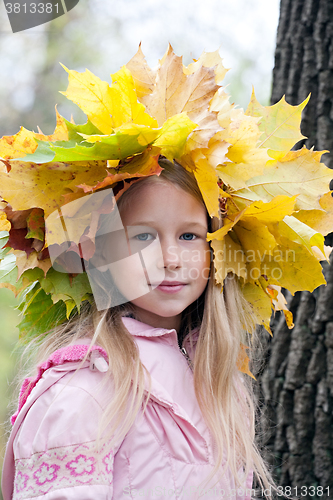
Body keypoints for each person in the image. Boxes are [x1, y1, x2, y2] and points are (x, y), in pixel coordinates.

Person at [1, 46, 331, 500]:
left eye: (191, 236)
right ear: (98, 254)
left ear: (221, 250)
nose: (171, 259)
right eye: (142, 238)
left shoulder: (220, 384)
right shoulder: (86, 392)